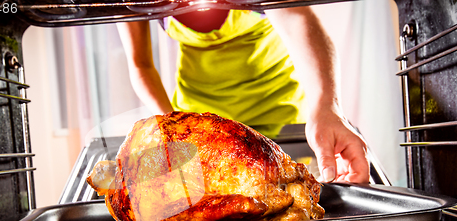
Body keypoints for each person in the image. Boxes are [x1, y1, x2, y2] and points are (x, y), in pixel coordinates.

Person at [116, 5, 370, 183]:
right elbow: (141, 65)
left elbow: (298, 20)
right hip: (199, 116)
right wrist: (173, 128)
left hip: (276, 106)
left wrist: (326, 104)